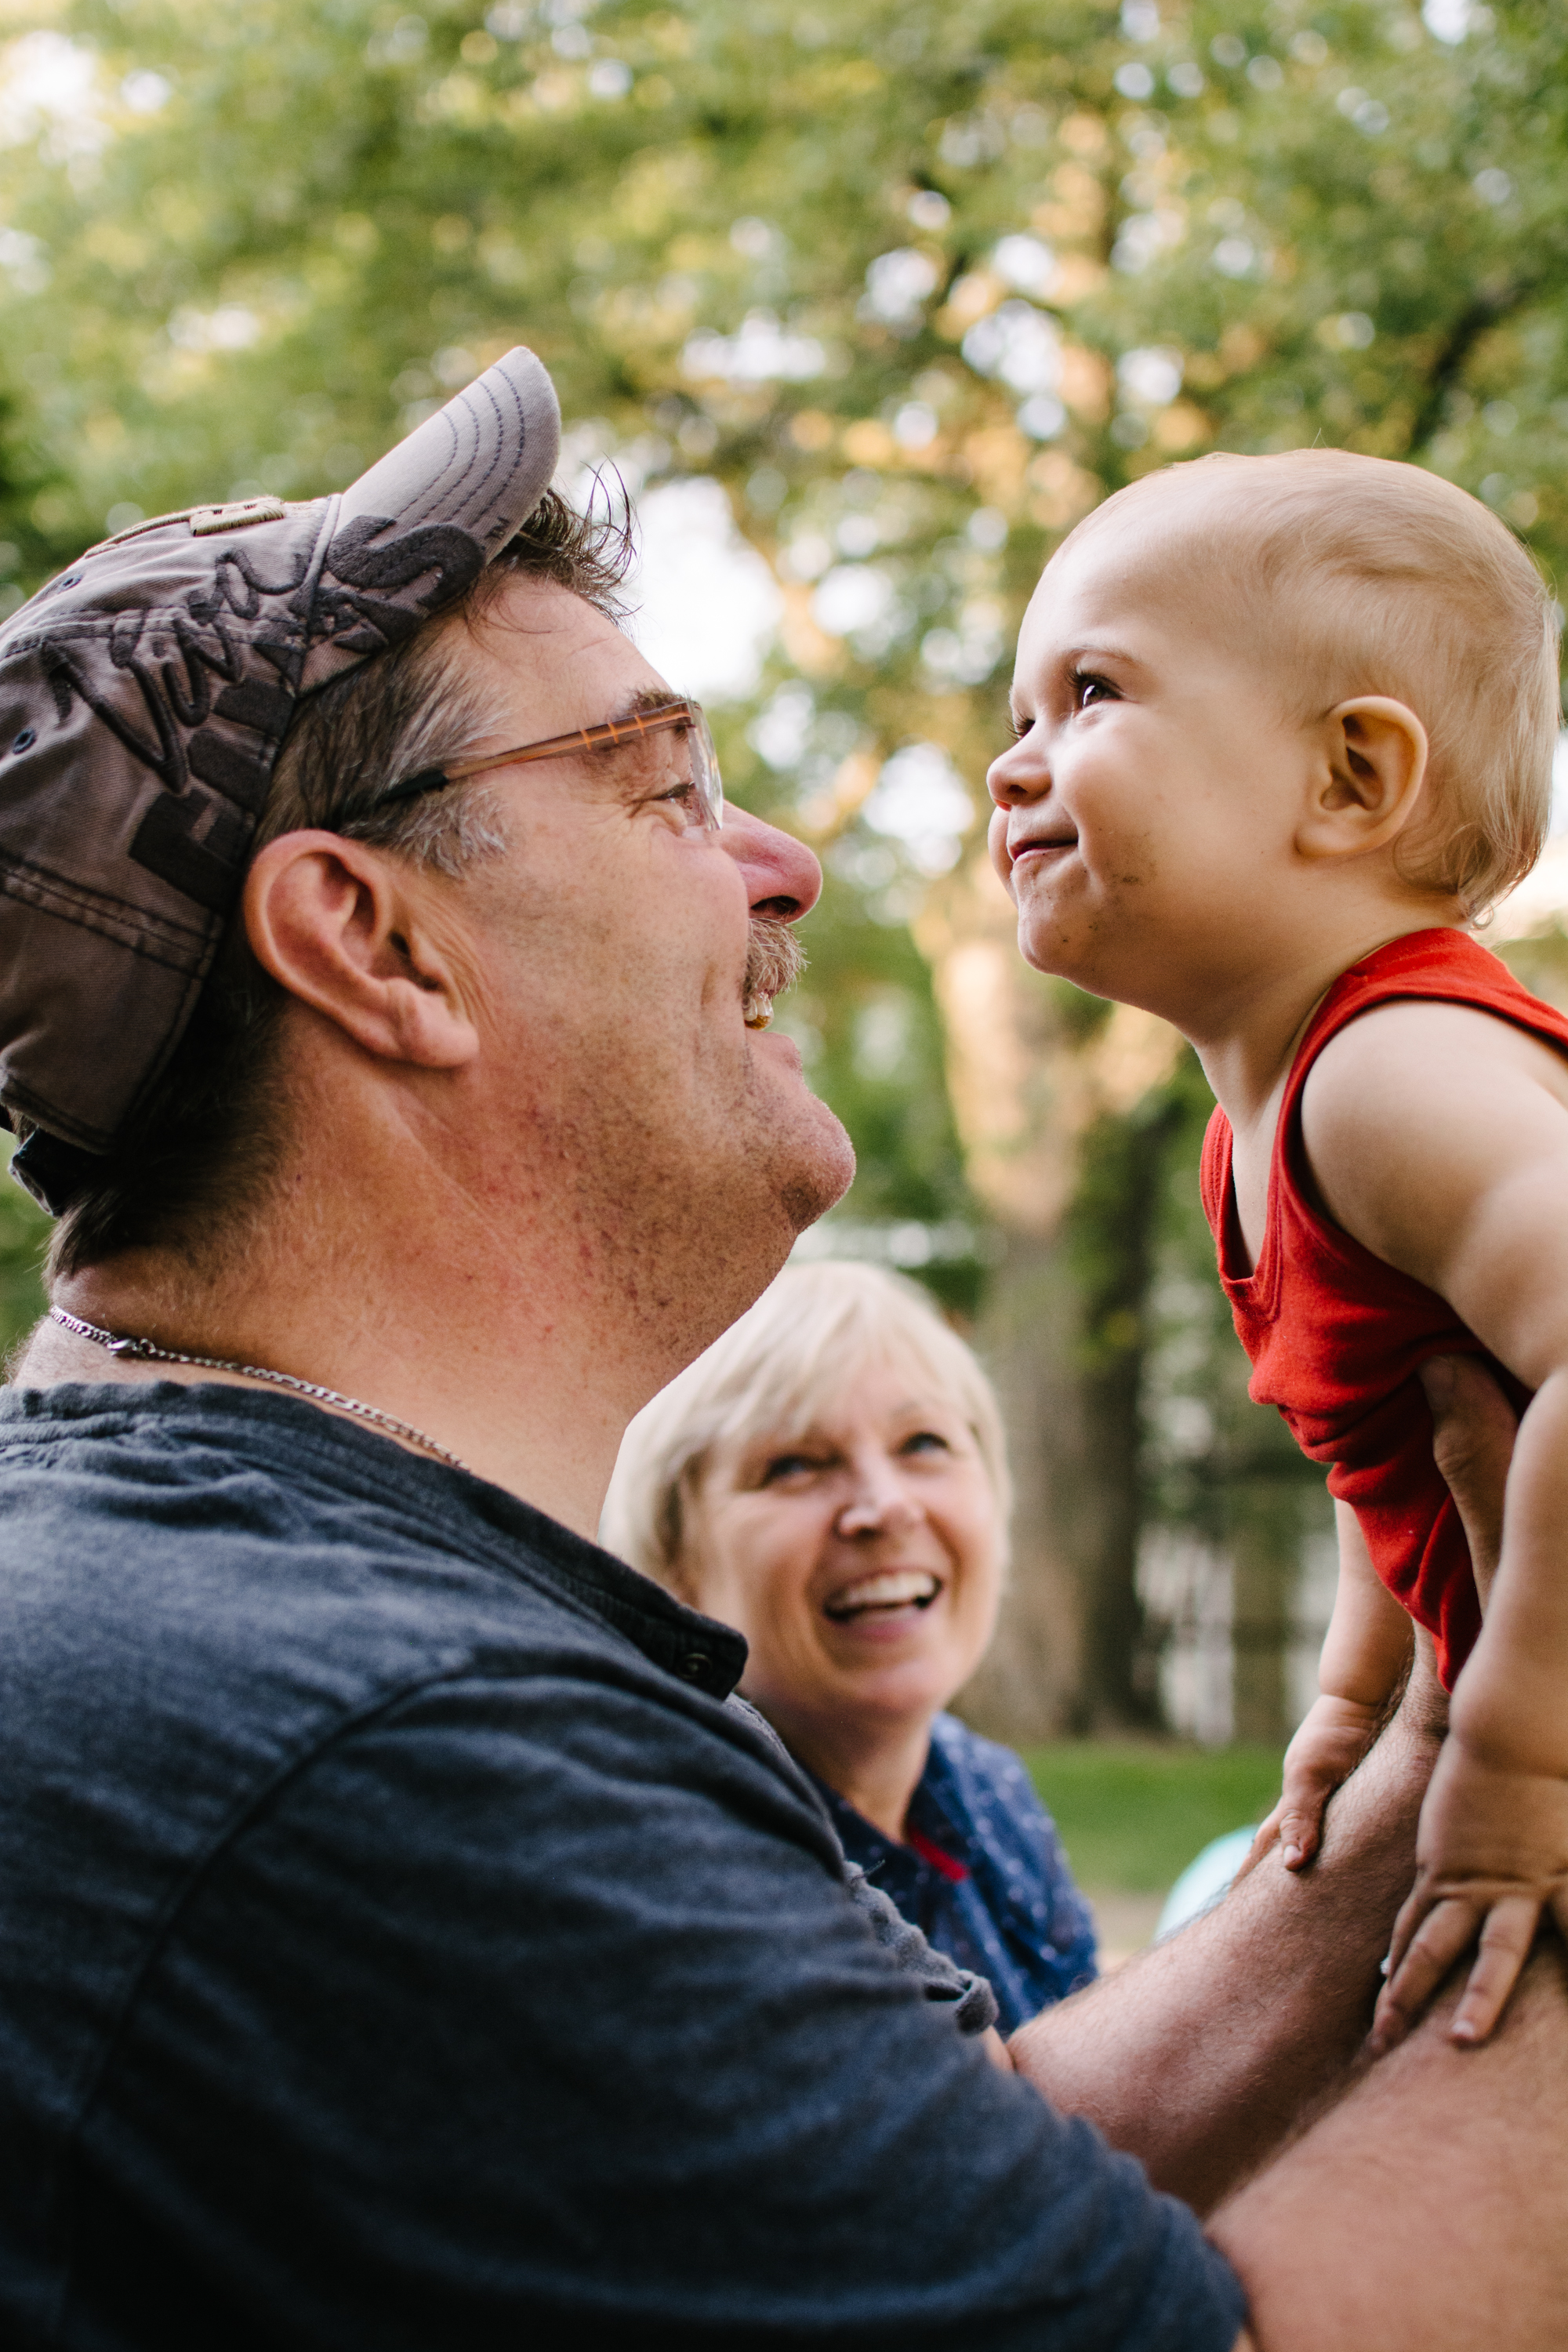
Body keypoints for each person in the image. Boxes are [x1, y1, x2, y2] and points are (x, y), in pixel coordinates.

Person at [0, 340, 1563, 2351]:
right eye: (658, 786)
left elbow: (911, 2186)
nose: (786, 864)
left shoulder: (263, 1596)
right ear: (375, 945)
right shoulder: (371, 1730)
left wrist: (1427, 1755)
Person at [985, 446, 1568, 2057]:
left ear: (1350, 782)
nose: (1010, 765)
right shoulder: (1264, 1126)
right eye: (1017, 711)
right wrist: (1351, 1702)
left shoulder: (1396, 1074)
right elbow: (1388, 1451)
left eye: (1091, 692)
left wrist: (1522, 1762)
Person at [602, 1258, 1097, 2031]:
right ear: (673, 1559)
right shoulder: (683, 1842)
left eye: (923, 1443)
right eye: (794, 1464)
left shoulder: (987, 1790)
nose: (885, 1506)